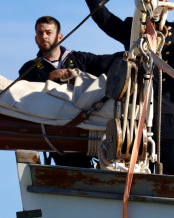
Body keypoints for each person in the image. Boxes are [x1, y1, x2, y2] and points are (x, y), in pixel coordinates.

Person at [80, 0, 174, 176]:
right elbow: (105, 20)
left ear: (166, 3)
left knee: (171, 173)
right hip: (135, 116)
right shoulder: (135, 31)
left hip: (170, 115)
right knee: (135, 171)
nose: (150, 4)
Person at [18, 15, 119, 168]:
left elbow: (106, 62)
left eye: (48, 32)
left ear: (60, 37)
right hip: (56, 135)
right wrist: (49, 77)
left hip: (88, 129)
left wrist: (131, 54)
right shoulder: (29, 69)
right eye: (40, 33)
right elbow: (22, 94)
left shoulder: (79, 59)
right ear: (35, 38)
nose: (44, 36)